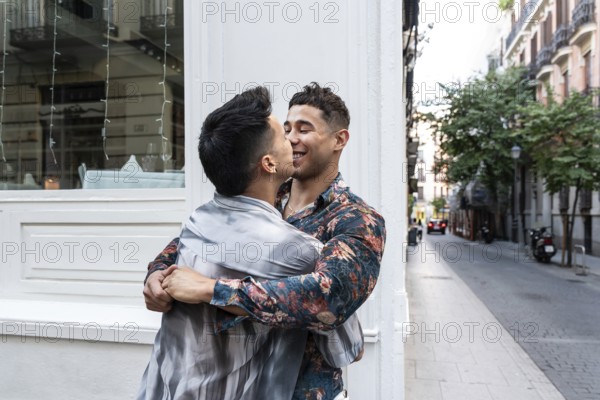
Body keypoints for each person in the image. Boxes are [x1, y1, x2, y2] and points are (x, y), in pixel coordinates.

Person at [145, 82, 386, 400]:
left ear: (339, 139)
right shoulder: (259, 196)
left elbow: (330, 297)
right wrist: (157, 273)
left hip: (304, 390)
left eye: (304, 129)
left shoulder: (357, 219)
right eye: (286, 129)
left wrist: (212, 290)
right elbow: (190, 242)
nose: (291, 138)